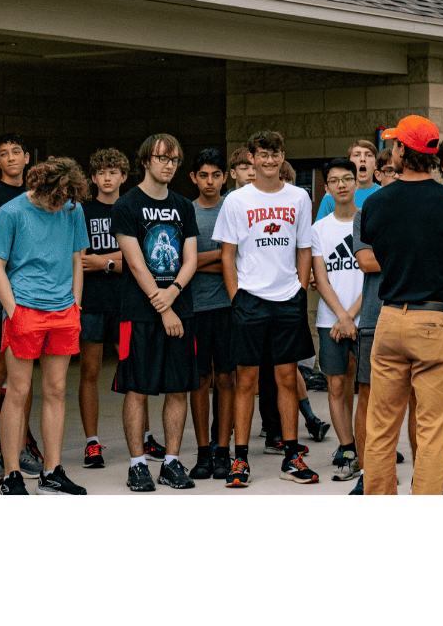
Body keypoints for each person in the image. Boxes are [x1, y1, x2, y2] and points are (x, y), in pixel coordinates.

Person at [359, 115, 443, 496]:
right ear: (433, 155)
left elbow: (385, 255)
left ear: (399, 150)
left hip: (390, 316)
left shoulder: (375, 204)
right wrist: (442, 266)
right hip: (436, 319)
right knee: (431, 434)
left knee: (380, 429)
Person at [214, 129, 318, 488]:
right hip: (250, 301)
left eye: (275, 153)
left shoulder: (299, 197)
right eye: (263, 154)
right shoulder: (236, 201)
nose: (269, 160)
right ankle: (239, 460)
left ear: (282, 156)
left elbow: (304, 247)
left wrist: (300, 290)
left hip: (288, 299)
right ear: (252, 159)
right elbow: (228, 255)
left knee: (287, 379)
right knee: (247, 381)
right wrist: (236, 297)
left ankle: (291, 456)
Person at [0, 157, 90, 496]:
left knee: (55, 391)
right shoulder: (10, 212)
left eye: (66, 198)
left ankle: (52, 472)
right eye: (56, 197)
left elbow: (78, 258)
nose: (60, 204)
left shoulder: (72, 207)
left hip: (63, 311)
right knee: (17, 392)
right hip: (25, 309)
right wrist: (13, 312)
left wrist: (75, 304)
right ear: (40, 186)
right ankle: (12, 475)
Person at [112, 134, 200, 492]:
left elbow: (191, 258)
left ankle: (172, 462)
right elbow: (134, 262)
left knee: (178, 389)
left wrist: (174, 293)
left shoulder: (183, 206)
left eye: (175, 160)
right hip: (141, 313)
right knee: (138, 388)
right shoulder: (127, 204)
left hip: (181, 309)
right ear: (146, 160)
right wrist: (162, 306)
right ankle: (136, 465)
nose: (169, 165)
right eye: (162, 158)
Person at [346, 148, 400, 496]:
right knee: (367, 396)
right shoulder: (365, 213)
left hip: (416, 314)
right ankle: (367, 474)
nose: (394, 176)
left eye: (400, 171)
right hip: (375, 317)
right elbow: (366, 261)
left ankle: (408, 479)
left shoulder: (422, 208)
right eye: (389, 171)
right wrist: (414, 253)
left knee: (415, 402)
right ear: (377, 174)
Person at [311, 157, 365, 481]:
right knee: (335, 383)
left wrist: (352, 317)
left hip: (365, 319)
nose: (342, 184)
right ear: (328, 187)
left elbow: (376, 278)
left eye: (348, 178)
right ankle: (347, 449)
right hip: (330, 319)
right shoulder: (319, 229)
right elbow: (321, 278)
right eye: (335, 180)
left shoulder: (369, 222)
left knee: (367, 386)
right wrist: (342, 317)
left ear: (357, 182)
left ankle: (368, 448)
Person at [0, 134, 40, 485]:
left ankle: (21, 446)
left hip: (32, 295)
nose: (10, 158)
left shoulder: (37, 196)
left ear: (27, 158)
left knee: (26, 377)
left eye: (16, 152)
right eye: (3, 154)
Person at [77, 148, 128, 470]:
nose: (107, 178)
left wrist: (103, 261)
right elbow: (80, 260)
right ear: (93, 178)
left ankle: (145, 435)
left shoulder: (131, 208)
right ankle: (92, 442)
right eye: (101, 173)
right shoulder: (82, 211)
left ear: (124, 176)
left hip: (126, 303)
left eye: (114, 172)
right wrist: (115, 260)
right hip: (92, 304)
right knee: (90, 373)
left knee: (134, 373)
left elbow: (141, 262)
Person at [187, 148, 236, 480]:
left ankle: (223, 451)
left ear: (225, 176)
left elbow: (239, 260)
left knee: (225, 379)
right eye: (203, 175)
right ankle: (203, 452)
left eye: (216, 175)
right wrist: (220, 257)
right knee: (200, 380)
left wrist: (197, 260)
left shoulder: (232, 209)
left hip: (228, 306)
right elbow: (179, 263)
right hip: (194, 308)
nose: (209, 181)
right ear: (194, 178)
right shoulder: (185, 211)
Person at [316, 140, 379, 220]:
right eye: (357, 155)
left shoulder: (385, 193)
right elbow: (320, 228)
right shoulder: (332, 195)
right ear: (349, 163)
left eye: (368, 155)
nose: (362, 159)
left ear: (376, 164)